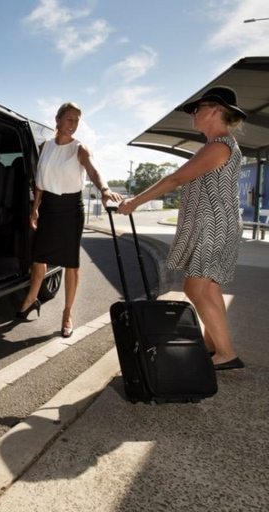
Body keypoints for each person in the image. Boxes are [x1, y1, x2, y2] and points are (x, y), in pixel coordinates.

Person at [117, 86, 246, 371]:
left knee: (195, 288)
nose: (193, 115)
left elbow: (175, 179)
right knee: (210, 290)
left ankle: (226, 353)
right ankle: (213, 347)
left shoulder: (219, 145)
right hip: (217, 224)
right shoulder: (224, 144)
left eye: (197, 109)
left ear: (216, 109)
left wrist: (134, 202)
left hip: (212, 226)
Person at [17, 102, 123, 337]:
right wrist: (35, 208)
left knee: (71, 263)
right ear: (57, 119)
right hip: (49, 208)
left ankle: (67, 313)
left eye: (76, 120)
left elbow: (94, 170)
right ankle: (32, 297)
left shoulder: (80, 148)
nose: (73, 124)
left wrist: (104, 190)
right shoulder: (45, 147)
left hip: (70, 209)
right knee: (39, 256)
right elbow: (40, 182)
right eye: (69, 119)